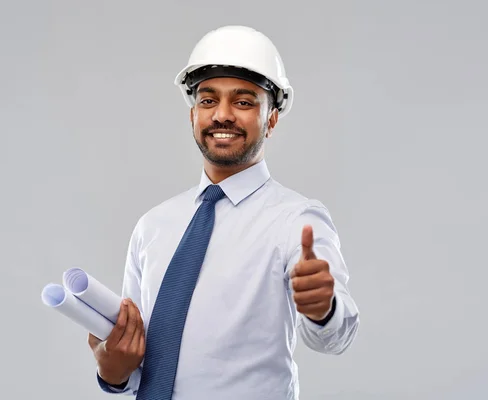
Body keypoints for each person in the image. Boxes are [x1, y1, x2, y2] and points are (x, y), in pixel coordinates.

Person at [87, 25, 360, 400]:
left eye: (244, 102)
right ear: (193, 114)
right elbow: (137, 369)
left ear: (272, 119)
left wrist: (323, 308)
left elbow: (335, 336)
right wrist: (113, 371)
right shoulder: (153, 226)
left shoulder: (297, 221)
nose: (222, 115)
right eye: (208, 100)